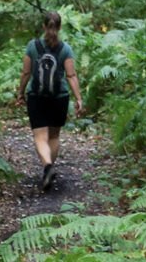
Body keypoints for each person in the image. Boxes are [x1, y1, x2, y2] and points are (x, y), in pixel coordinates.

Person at [16, 11, 84, 190]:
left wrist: (21, 92)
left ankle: (47, 166)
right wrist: (78, 98)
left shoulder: (33, 46)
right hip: (59, 98)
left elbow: (26, 72)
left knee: (40, 135)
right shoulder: (65, 49)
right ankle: (49, 169)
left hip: (37, 97)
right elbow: (71, 75)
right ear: (60, 27)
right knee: (54, 136)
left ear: (44, 26)